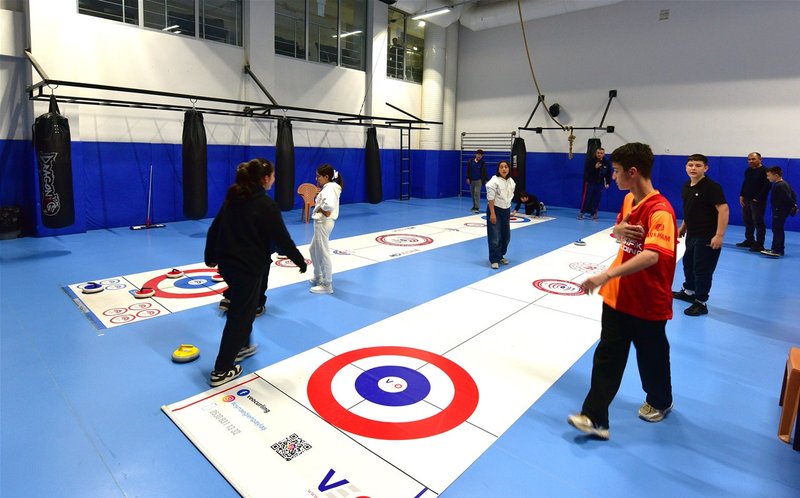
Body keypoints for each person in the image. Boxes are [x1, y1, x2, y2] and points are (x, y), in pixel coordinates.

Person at [568, 142, 677, 440]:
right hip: (618, 298)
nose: (612, 176)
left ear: (632, 172)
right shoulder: (630, 200)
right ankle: (595, 419)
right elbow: (619, 231)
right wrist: (618, 232)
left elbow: (653, 255)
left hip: (648, 302)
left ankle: (661, 400)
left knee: (652, 357)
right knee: (607, 357)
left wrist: (606, 274)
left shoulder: (661, 211)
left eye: (616, 171)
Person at [204, 158, 307, 387]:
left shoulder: (234, 198)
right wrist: (299, 261)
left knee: (245, 308)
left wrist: (210, 256)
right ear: (265, 179)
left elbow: (214, 228)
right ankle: (221, 370)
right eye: (273, 175)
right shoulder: (265, 205)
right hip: (248, 269)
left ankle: (242, 346)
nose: (274, 179)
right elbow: (282, 239)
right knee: (240, 315)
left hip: (229, 265)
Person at [672, 154, 729, 317]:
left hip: (708, 236)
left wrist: (719, 235)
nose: (693, 168)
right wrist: (683, 227)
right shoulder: (687, 186)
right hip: (692, 234)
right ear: (686, 167)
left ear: (706, 168)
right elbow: (690, 209)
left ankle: (701, 302)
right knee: (688, 264)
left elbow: (723, 210)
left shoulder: (712, 187)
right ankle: (689, 292)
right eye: (690, 165)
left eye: (698, 165)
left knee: (702, 270)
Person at [309, 164, 343, 294]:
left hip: (323, 222)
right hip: (322, 222)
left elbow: (328, 208)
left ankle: (327, 284)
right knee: (313, 249)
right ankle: (318, 275)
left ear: (326, 177)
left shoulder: (329, 189)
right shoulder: (329, 188)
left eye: (318, 176)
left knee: (323, 252)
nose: (316, 178)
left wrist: (319, 207)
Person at [736, 152, 771, 252]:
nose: (750, 161)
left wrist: (758, 198)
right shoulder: (748, 171)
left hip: (758, 201)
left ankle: (759, 244)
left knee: (758, 222)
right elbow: (745, 183)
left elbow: (767, 186)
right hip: (746, 199)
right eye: (749, 159)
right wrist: (741, 195)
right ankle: (749, 240)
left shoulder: (765, 171)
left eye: (753, 159)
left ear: (760, 159)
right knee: (747, 220)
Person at [761, 166, 797, 257]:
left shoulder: (780, 185)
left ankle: (776, 250)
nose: (767, 177)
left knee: (777, 229)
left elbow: (788, 198)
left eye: (769, 176)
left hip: (779, 211)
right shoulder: (784, 184)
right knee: (778, 229)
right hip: (780, 210)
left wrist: (793, 206)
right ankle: (779, 249)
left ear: (776, 175)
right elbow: (793, 194)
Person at [485, 160, 515, 269]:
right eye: (501, 167)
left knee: (506, 236)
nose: (504, 169)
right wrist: (492, 213)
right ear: (498, 169)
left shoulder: (511, 182)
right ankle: (494, 259)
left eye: (506, 167)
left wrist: (509, 211)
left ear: (508, 169)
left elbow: (509, 198)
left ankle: (501, 255)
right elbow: (490, 199)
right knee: (495, 236)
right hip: (495, 210)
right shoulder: (493, 182)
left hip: (506, 211)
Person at [578, 147, 612, 220]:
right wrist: (594, 168)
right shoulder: (590, 161)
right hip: (591, 183)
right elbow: (587, 172)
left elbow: (608, 174)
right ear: (596, 153)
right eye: (598, 153)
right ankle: (582, 213)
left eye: (601, 153)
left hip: (600, 184)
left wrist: (608, 183)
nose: (599, 154)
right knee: (587, 198)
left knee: (597, 199)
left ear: (604, 154)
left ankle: (593, 214)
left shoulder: (606, 163)